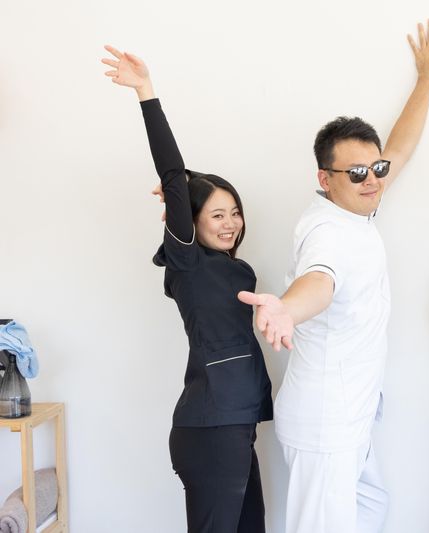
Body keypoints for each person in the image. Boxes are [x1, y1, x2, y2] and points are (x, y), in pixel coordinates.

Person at [237, 20, 429, 533]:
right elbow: (319, 281)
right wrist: (286, 308)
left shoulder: (356, 207)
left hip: (350, 415)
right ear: (325, 178)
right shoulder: (327, 231)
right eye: (356, 173)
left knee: (371, 506)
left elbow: (398, 148)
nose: (372, 179)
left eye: (374, 169)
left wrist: (427, 78)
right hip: (325, 421)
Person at [102, 45, 272, 533]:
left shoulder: (239, 272)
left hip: (235, 424)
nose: (231, 223)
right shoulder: (187, 263)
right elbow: (174, 177)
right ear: (189, 222)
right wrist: (145, 91)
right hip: (209, 428)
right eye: (217, 214)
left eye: (235, 212)